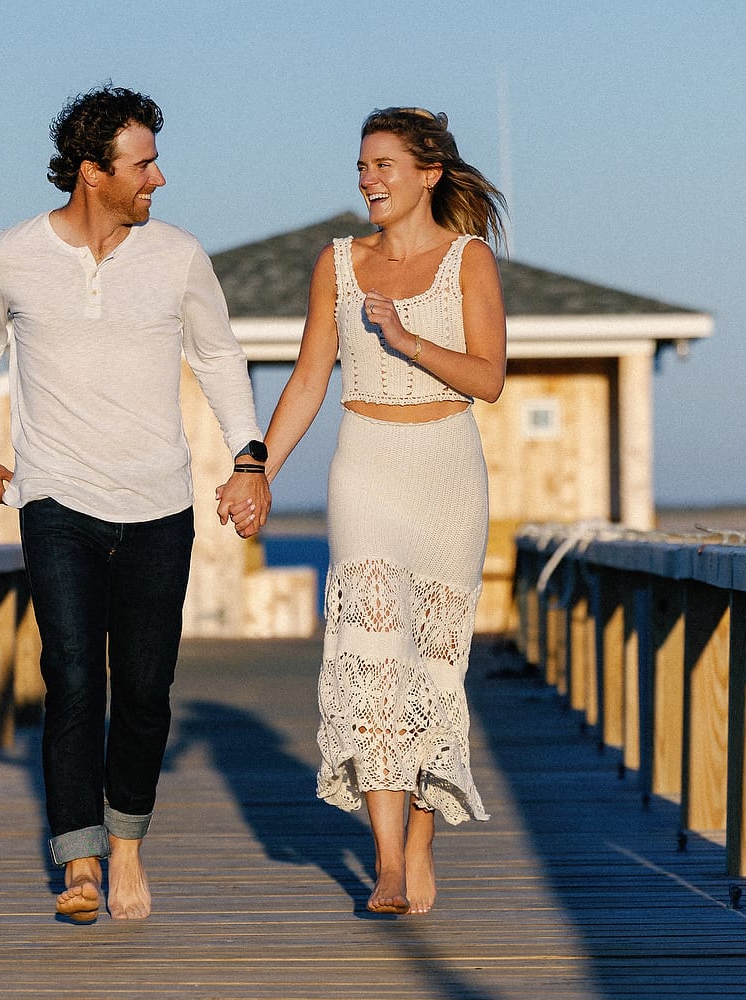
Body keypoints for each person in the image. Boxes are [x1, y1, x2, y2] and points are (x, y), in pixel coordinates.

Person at [0, 84, 271, 923]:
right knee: (73, 679)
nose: (158, 178)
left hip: (160, 502)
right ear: (93, 172)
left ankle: (127, 846)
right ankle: (81, 862)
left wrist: (249, 457)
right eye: (144, 162)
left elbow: (220, 354)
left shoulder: (178, 257)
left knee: (147, 689)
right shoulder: (12, 253)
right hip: (57, 497)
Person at [236, 107, 507, 915]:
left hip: (447, 471)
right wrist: (257, 470)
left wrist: (408, 340)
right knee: (370, 656)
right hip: (367, 470)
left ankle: (421, 844)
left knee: (432, 663)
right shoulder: (338, 264)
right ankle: (387, 860)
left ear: (429, 174)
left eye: (384, 165)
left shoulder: (470, 260)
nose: (368, 180)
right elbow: (310, 380)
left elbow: (489, 378)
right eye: (362, 166)